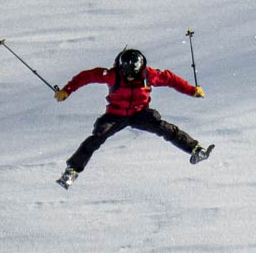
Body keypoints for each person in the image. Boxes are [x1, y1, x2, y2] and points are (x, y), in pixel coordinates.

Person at [55, 47, 212, 186]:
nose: (129, 77)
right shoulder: (112, 75)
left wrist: (192, 90)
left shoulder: (149, 75)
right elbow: (86, 76)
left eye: (133, 75)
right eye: (126, 74)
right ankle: (72, 171)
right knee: (97, 136)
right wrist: (67, 90)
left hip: (139, 112)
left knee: (164, 128)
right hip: (115, 114)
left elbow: (171, 80)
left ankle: (195, 150)